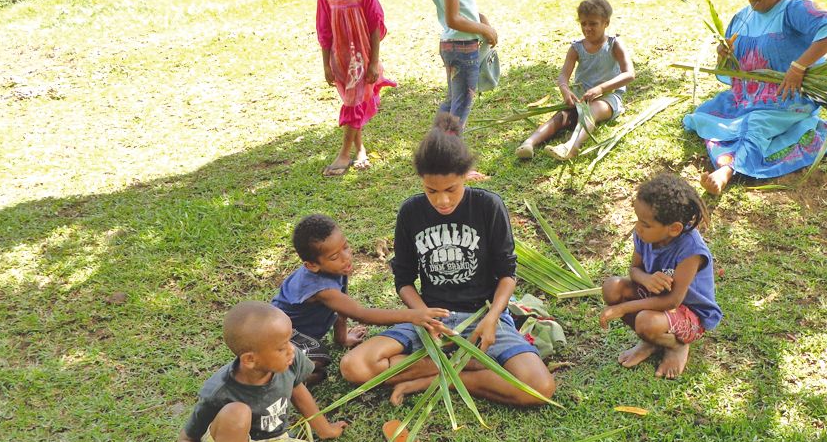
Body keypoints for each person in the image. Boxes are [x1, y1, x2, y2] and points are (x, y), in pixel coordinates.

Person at [340, 114, 556, 406]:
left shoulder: (488, 206)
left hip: (483, 315)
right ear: (421, 182)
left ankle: (435, 378)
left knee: (540, 387)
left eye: (451, 189)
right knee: (354, 366)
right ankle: (473, 363)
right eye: (432, 191)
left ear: (466, 175)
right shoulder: (411, 212)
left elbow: (507, 274)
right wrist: (421, 315)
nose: (442, 201)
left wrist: (493, 317)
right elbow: (404, 280)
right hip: (432, 318)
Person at [682, 0, 827, 195]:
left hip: (787, 97)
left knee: (756, 124)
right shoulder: (743, 17)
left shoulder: (793, 9)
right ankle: (730, 155)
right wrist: (725, 57)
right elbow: (735, 70)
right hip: (749, 96)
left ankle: (727, 172)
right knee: (704, 115)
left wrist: (798, 66)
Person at [177, 302, 348, 442]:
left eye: (289, 341)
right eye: (281, 347)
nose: (291, 350)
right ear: (250, 359)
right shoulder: (219, 391)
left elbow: (298, 390)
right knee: (238, 413)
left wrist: (324, 429)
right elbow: (185, 441)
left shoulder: (289, 361)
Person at [271, 214, 452, 382]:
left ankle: (285, 373)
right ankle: (274, 377)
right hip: (282, 336)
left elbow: (340, 310)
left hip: (297, 337)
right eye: (335, 256)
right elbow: (361, 313)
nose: (346, 257)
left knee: (315, 364)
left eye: (346, 247)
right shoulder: (321, 287)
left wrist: (342, 339)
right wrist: (413, 315)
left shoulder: (336, 269)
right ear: (312, 265)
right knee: (317, 361)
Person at [599, 173, 722, 379]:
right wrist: (646, 279)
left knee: (646, 322)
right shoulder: (644, 235)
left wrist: (621, 309)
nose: (638, 228)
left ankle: (677, 345)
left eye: (645, 224)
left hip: (690, 314)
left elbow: (672, 300)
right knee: (613, 287)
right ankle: (651, 342)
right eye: (638, 220)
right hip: (658, 302)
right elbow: (634, 270)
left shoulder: (690, 249)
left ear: (674, 229)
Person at [515, 0, 635, 161]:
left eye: (593, 24)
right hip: (581, 97)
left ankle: (571, 147)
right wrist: (565, 90)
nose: (587, 28)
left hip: (608, 98)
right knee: (560, 116)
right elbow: (563, 76)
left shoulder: (614, 44)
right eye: (583, 24)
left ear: (606, 23)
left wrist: (601, 89)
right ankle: (529, 143)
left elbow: (629, 74)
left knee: (591, 111)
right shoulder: (576, 48)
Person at [317, 0, 395, 177]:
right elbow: (324, 30)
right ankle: (360, 148)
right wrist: (326, 65)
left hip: (362, 60)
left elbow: (375, 25)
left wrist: (373, 62)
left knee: (353, 102)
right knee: (352, 100)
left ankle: (343, 153)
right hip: (341, 60)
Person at [425, 0, 495, 180]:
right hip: (462, 47)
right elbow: (453, 19)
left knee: (452, 101)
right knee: (462, 106)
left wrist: (481, 18)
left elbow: (459, 9)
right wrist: (483, 30)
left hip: (453, 46)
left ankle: (434, 150)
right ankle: (453, 165)